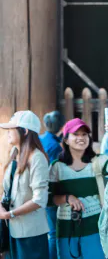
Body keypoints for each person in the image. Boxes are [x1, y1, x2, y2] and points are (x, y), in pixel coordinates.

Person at [49, 117, 108, 259]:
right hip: (67, 231)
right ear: (66, 139)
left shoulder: (98, 161)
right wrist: (67, 198)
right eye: (76, 134)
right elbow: (48, 199)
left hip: (96, 227)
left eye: (84, 134)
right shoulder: (57, 167)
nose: (81, 138)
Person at [0, 111, 50, 259]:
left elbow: (39, 199)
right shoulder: (14, 155)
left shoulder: (37, 158)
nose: (8, 133)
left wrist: (9, 214)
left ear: (25, 131)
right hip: (13, 230)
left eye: (11, 129)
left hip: (31, 234)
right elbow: (8, 191)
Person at [40, 111, 65, 259]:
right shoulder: (55, 146)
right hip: (50, 192)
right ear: (62, 127)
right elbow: (56, 171)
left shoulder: (40, 138)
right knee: (54, 232)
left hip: (38, 189)